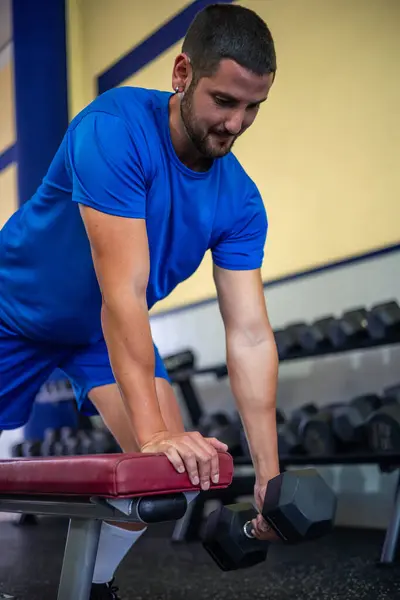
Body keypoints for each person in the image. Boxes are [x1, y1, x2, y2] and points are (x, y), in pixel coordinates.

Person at [0, 3, 280, 598]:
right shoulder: (114, 128)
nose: (237, 123)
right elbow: (121, 289)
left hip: (98, 333)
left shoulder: (241, 202)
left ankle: (89, 587)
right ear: (182, 74)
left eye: (253, 107)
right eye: (224, 101)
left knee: (166, 481)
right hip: (12, 310)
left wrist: (269, 476)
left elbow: (250, 334)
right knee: (159, 451)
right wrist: (153, 433)